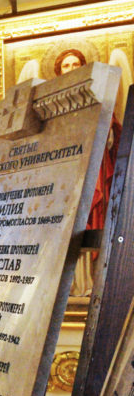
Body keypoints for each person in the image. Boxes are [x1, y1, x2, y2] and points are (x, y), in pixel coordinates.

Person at [54, 48, 122, 296]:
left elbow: (111, 131)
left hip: (93, 168)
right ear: (59, 71)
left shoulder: (98, 95)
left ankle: (92, 282)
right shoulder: (56, 102)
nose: (71, 69)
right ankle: (69, 284)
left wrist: (107, 131)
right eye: (66, 66)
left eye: (76, 64)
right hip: (66, 175)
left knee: (91, 217)